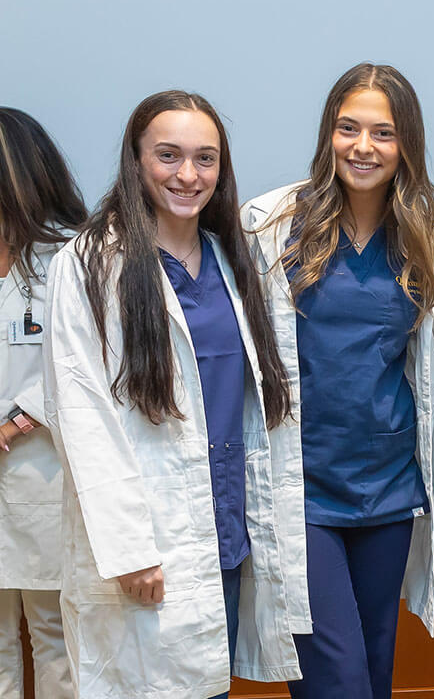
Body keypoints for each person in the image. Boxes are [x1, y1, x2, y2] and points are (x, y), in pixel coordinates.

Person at [42, 90, 299, 698]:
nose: (188, 175)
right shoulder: (88, 264)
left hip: (224, 532)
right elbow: (81, 414)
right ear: (136, 161)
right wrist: (129, 550)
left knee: (208, 687)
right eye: (169, 155)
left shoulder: (230, 257)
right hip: (146, 540)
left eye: (205, 158)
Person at [241, 63, 434, 699]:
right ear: (327, 134)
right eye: (348, 128)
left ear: (406, 144)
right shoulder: (274, 225)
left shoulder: (427, 240)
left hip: (388, 492)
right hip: (302, 491)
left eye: (383, 133)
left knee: (375, 671)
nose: (364, 147)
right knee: (338, 682)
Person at [0, 107, 85, 699]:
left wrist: (14, 420)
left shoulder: (68, 259)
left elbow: (84, 363)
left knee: (54, 631)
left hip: (42, 472)